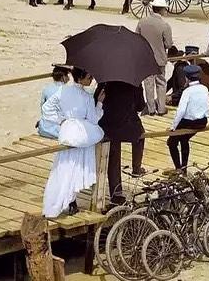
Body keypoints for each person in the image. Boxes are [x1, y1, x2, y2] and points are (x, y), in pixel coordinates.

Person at [42, 68, 104, 217]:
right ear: (82, 77)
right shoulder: (86, 96)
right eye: (89, 77)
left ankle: (61, 202)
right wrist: (100, 103)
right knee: (75, 167)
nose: (91, 80)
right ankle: (70, 201)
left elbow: (46, 108)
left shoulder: (63, 91)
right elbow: (93, 119)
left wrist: (62, 120)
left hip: (67, 130)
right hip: (81, 133)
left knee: (62, 166)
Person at [95, 81, 145, 204]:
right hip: (128, 124)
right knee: (140, 136)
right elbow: (140, 106)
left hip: (108, 124)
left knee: (114, 159)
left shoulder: (106, 81)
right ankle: (136, 167)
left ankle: (116, 192)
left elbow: (96, 99)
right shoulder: (134, 82)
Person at [167, 65, 209, 171]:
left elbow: (181, 111)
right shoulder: (204, 89)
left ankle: (178, 168)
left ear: (187, 78)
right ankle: (184, 166)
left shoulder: (187, 91)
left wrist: (173, 127)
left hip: (189, 121)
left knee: (171, 143)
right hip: (203, 121)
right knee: (184, 139)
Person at [136, 0, 173, 115]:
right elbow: (168, 44)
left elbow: (137, 38)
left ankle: (151, 108)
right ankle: (161, 108)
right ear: (162, 10)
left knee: (148, 83)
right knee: (161, 83)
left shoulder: (142, 22)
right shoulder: (165, 25)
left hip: (146, 59)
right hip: (160, 59)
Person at [37, 65, 71, 139]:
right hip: (57, 131)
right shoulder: (67, 91)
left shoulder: (46, 89)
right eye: (67, 75)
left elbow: (42, 108)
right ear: (63, 77)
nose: (68, 78)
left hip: (44, 129)